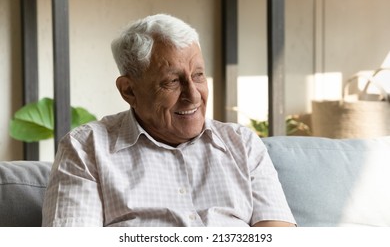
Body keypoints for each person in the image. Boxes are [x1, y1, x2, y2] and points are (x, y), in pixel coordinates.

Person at [42, 14, 296, 227]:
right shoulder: (86, 149)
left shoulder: (243, 144)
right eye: (172, 82)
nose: (193, 95)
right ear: (129, 91)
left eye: (198, 75)